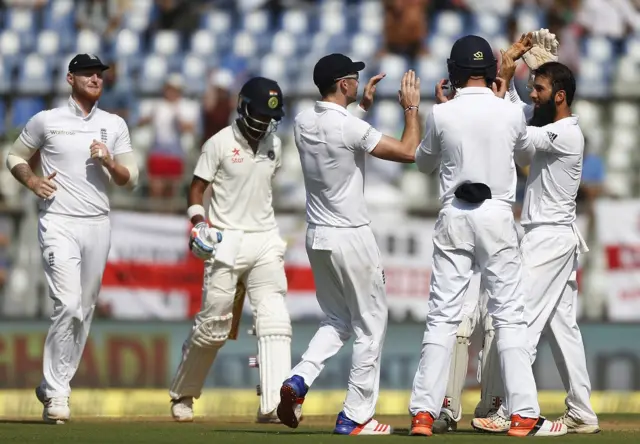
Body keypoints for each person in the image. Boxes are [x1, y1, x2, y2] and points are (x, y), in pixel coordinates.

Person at [406, 35, 567, 437]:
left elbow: (423, 164)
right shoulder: (508, 113)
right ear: (491, 73)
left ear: (453, 73)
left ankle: (423, 414)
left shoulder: (442, 115)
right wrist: (509, 96)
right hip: (496, 215)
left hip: (454, 215)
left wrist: (434, 113)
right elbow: (526, 155)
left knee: (443, 316)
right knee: (510, 315)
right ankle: (524, 414)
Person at [276, 53, 422, 436]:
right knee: (371, 327)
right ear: (342, 85)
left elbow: (337, 128)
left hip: (317, 237)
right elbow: (408, 151)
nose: (358, 81)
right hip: (351, 235)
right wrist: (411, 108)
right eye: (353, 79)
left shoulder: (303, 122)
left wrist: (359, 107)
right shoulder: (351, 127)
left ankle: (299, 379)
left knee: (337, 320)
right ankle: (355, 416)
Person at [471, 30, 600, 435]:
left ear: (560, 96)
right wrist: (533, 73)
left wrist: (506, 85)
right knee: (563, 330)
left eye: (539, 88)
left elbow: (518, 139)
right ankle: (582, 411)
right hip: (552, 237)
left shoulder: (566, 133)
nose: (533, 95)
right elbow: (523, 139)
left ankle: (512, 410)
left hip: (548, 239)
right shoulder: (556, 129)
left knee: (518, 320)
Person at [4, 53, 139, 424]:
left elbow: (132, 177)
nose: (96, 79)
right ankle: (58, 394)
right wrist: (32, 181)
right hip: (58, 221)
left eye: (100, 74)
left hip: (97, 224)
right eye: (88, 74)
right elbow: (15, 156)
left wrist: (110, 162)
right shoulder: (47, 120)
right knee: (67, 303)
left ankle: (52, 384)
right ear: (70, 78)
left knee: (84, 311)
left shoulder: (114, 124)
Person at [168, 76, 294, 424]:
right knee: (214, 327)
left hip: (265, 237)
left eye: (271, 117)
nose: (265, 122)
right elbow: (195, 190)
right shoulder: (219, 143)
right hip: (226, 240)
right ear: (243, 108)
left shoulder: (276, 144)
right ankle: (183, 395)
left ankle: (272, 403)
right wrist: (200, 223)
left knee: (275, 317)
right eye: (259, 114)